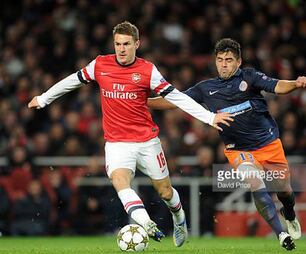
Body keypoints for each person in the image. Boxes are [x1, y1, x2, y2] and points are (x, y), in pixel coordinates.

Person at [28, 21, 233, 247]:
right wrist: (44, 98)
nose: (121, 49)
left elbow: (176, 97)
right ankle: (146, 223)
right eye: (117, 44)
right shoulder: (100, 65)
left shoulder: (147, 70)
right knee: (120, 181)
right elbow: (72, 81)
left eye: (126, 44)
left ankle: (179, 217)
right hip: (117, 143)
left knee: (165, 192)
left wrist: (210, 117)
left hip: (147, 142)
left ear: (137, 43)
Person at [148, 38, 306, 250]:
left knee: (285, 191)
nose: (223, 64)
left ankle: (288, 213)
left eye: (228, 60)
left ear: (238, 62)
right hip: (239, 150)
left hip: (269, 145)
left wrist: (295, 83)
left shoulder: (250, 77)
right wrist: (142, 101)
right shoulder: (205, 88)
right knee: (256, 185)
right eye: (220, 60)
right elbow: (175, 101)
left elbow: (276, 86)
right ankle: (281, 234)